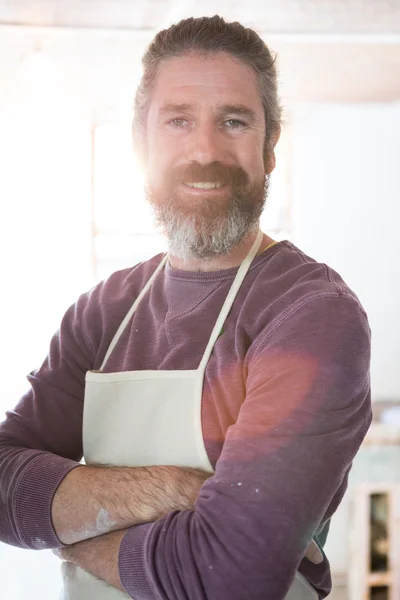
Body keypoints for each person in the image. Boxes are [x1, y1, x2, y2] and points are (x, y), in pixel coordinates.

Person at [0, 15, 371, 600]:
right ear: (140, 145)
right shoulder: (101, 314)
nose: (205, 150)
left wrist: (66, 531)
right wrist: (166, 490)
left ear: (269, 148)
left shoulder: (311, 317)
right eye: (178, 121)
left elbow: (229, 576)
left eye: (233, 121)